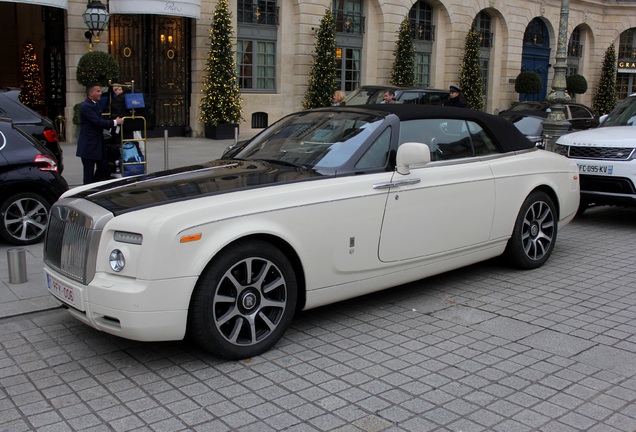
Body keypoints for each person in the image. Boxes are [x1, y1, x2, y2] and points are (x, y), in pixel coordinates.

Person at [77, 84, 124, 184]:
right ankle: (88, 191)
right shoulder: (86, 107)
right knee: (88, 174)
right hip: (88, 146)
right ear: (90, 93)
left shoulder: (95, 104)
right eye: (97, 91)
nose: (100, 93)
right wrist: (115, 122)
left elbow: (101, 120)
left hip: (97, 145)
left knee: (104, 168)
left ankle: (96, 187)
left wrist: (112, 122)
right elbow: (97, 122)